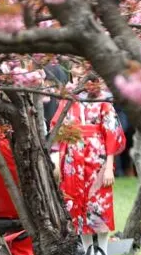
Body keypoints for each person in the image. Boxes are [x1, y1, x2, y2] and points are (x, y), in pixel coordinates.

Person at [53, 77, 126, 240]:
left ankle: (103, 254)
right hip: (74, 158)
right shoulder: (69, 96)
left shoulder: (102, 98)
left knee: (99, 206)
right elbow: (56, 125)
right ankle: (87, 254)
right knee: (77, 206)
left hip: (97, 157)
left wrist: (109, 167)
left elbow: (112, 133)